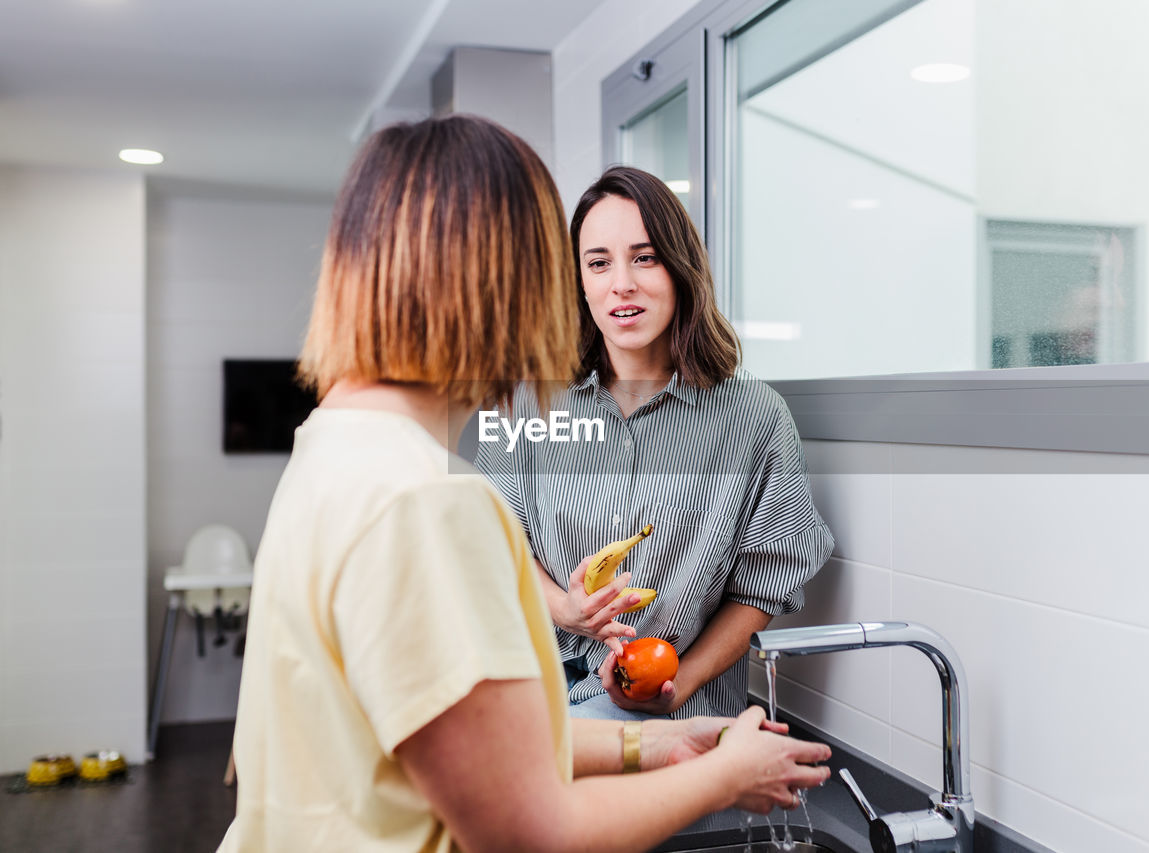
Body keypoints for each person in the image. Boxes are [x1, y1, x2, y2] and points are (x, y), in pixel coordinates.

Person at [218, 117, 830, 853]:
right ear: (507, 281)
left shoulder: (333, 443)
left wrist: (657, 745)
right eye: (576, 263)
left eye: (640, 258)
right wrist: (724, 775)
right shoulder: (428, 501)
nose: (606, 287)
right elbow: (527, 829)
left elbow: (461, 749)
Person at [476, 165, 834, 722]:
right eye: (598, 263)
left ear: (680, 268)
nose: (622, 282)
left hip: (669, 711)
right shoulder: (527, 403)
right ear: (580, 284)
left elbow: (763, 588)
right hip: (533, 695)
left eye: (644, 257)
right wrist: (566, 611)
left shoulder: (755, 418)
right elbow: (495, 540)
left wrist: (681, 682)